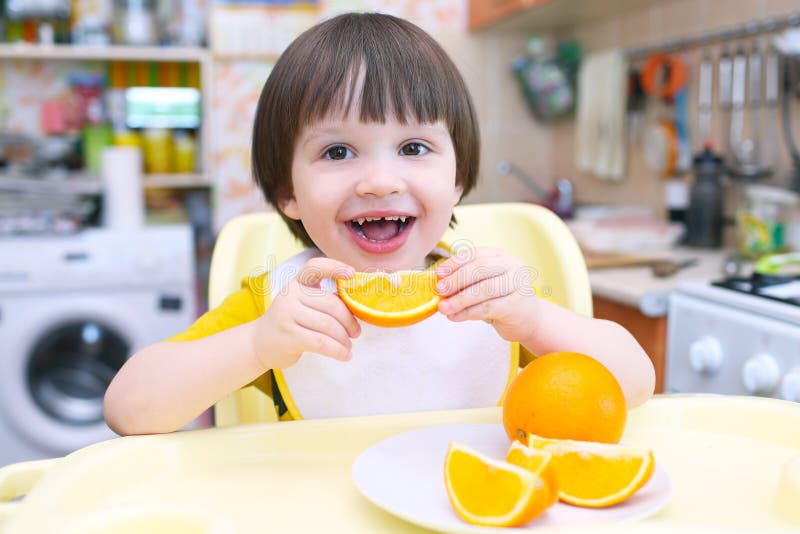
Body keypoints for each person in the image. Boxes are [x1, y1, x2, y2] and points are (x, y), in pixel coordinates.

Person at [104, 13, 654, 436]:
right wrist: (257, 346)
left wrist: (534, 320)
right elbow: (127, 409)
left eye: (414, 147)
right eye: (339, 151)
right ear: (287, 193)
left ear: (457, 178)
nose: (380, 181)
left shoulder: (489, 298)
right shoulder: (279, 309)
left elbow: (635, 384)